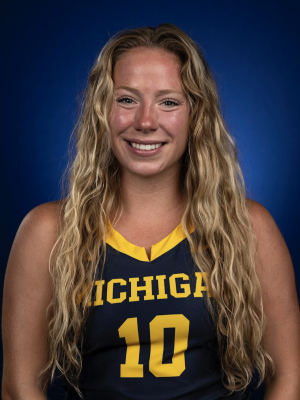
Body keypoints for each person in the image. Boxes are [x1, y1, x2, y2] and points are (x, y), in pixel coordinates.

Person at [2, 23, 300, 400]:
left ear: (197, 115)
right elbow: (19, 387)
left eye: (169, 102)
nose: (145, 122)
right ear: (101, 112)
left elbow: (289, 376)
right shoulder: (48, 231)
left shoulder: (248, 227)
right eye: (126, 99)